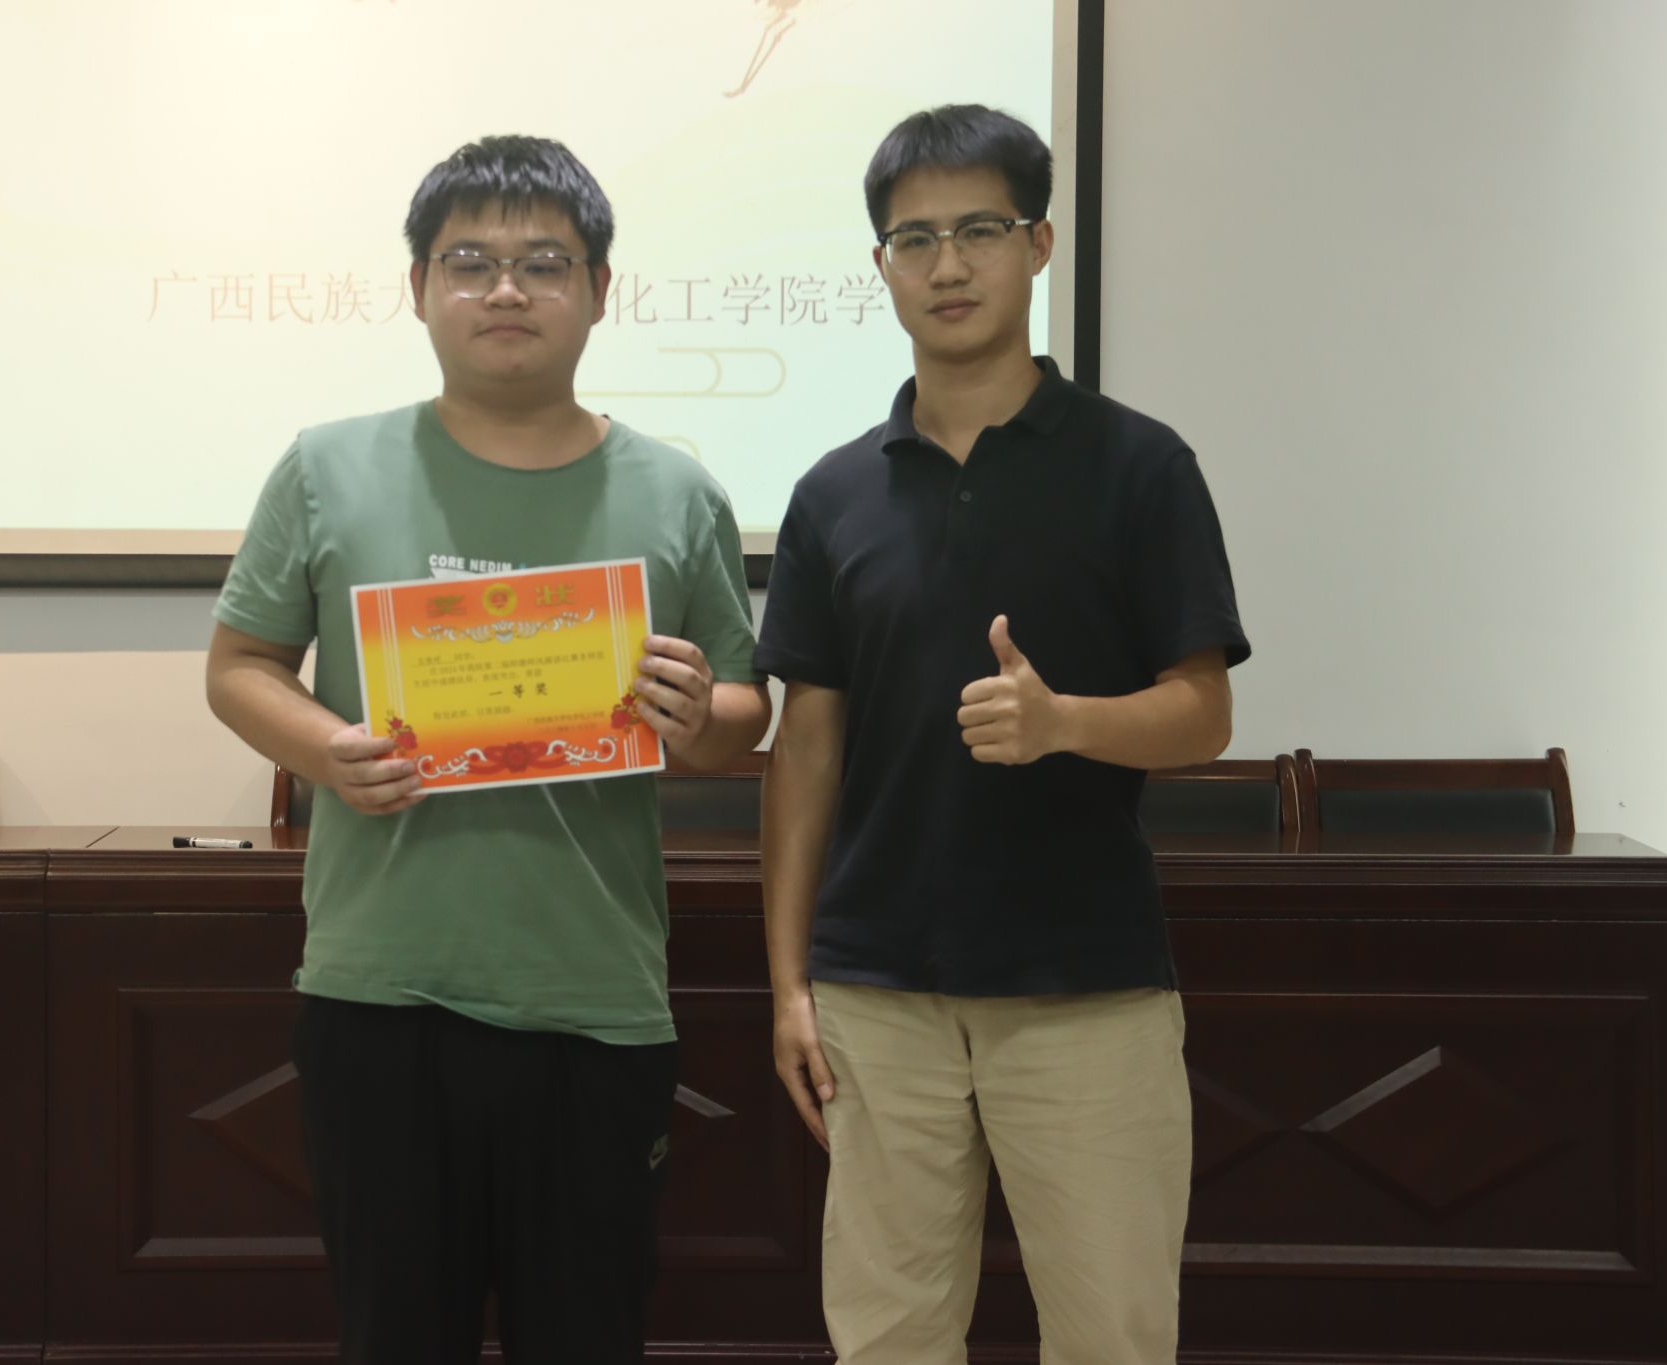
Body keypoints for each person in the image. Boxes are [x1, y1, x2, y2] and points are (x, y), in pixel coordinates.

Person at [204, 134, 770, 1364]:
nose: (505, 289)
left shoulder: (675, 491)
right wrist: (328, 750)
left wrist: (700, 717)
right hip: (379, 991)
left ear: (599, 290)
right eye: (468, 262)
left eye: (542, 263)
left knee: (587, 1336)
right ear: (418, 287)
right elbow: (239, 666)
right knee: (395, 1336)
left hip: (594, 996)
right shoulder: (325, 466)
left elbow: (742, 714)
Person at [755, 104, 1250, 1365]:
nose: (947, 264)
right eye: (913, 239)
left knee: (1111, 1335)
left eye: (977, 230)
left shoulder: (1138, 466)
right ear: (880, 267)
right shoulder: (832, 493)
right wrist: (789, 985)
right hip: (876, 992)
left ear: (1036, 244)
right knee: (887, 1338)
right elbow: (805, 750)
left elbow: (1203, 714)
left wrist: (1061, 721)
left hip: (1084, 984)